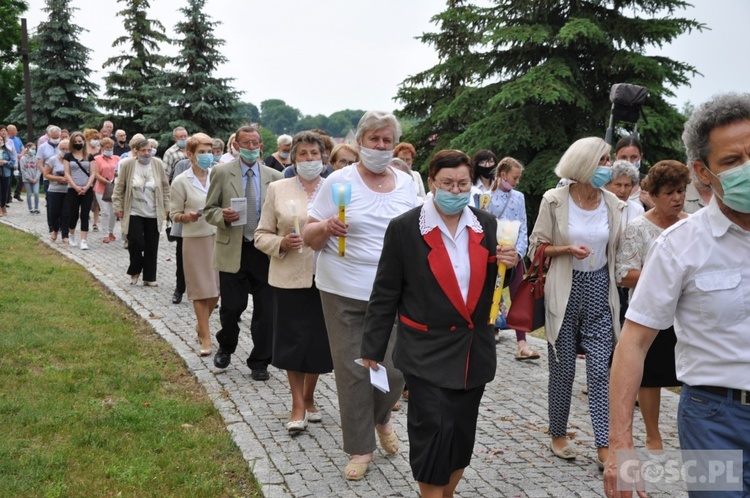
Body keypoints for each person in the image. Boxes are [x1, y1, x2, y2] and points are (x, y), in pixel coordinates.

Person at [605, 93, 750, 498]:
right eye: (733, 162)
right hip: (714, 421)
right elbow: (633, 343)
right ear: (703, 172)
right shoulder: (679, 245)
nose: (748, 168)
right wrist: (621, 446)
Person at [361, 149, 518, 497]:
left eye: (463, 183)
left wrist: (511, 262)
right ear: (431, 183)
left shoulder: (486, 224)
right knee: (432, 434)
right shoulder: (405, 229)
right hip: (426, 351)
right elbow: (385, 292)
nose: (456, 190)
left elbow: (495, 283)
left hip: (472, 352)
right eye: (447, 183)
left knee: (461, 437)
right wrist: (372, 347)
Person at [302, 110, 418, 481]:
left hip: (395, 293)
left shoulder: (407, 183)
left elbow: (420, 234)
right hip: (343, 288)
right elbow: (309, 235)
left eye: (387, 140)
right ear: (361, 142)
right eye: (374, 140)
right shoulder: (339, 180)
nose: (381, 147)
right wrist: (326, 226)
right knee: (353, 370)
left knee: (396, 369)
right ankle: (360, 447)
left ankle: (381, 417)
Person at [528, 136, 624, 468]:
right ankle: (558, 433)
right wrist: (565, 250)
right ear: (584, 164)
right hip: (564, 288)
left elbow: (618, 251)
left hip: (600, 287)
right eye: (603, 160)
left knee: (600, 370)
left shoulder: (613, 204)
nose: (608, 166)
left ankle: (603, 445)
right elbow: (536, 247)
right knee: (563, 368)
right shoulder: (554, 200)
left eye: (609, 160)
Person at [255, 131, 334, 432]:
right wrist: (281, 243)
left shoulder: (334, 187)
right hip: (289, 276)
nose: (310, 159)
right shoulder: (278, 188)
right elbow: (261, 234)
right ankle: (297, 404)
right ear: (293, 157)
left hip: (327, 276)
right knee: (292, 341)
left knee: (318, 342)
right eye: (303, 154)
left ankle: (310, 396)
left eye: (315, 154)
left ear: (323, 158)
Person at [615, 160, 690, 459]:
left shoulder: (692, 224)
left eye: (682, 191)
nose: (678, 198)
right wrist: (662, 275)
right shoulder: (638, 228)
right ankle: (653, 435)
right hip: (650, 313)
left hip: (686, 314)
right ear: (653, 195)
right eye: (670, 192)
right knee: (652, 376)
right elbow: (623, 274)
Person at [203, 125, 284, 379]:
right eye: (245, 143)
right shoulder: (221, 172)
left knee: (266, 311)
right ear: (236, 146)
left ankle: (260, 361)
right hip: (233, 249)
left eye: (255, 143)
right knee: (231, 308)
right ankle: (226, 346)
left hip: (263, 250)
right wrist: (223, 216)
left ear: (261, 146)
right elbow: (209, 210)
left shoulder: (275, 177)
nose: (251, 148)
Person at [170, 133, 219, 357]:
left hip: (219, 237)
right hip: (195, 238)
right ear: (190, 154)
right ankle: (206, 337)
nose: (207, 156)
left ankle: (202, 324)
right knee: (200, 289)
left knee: (217, 290)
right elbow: (174, 214)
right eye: (202, 152)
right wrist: (186, 217)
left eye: (210, 151)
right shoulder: (181, 181)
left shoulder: (218, 175)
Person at [487, 157, 536, 360]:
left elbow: (523, 226)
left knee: (518, 296)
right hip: (492, 254)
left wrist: (519, 253)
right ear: (503, 174)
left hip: (514, 255)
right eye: (514, 177)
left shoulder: (518, 197)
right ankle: (487, 336)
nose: (516, 182)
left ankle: (521, 343)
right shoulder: (485, 196)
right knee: (490, 295)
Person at [113, 138, 170, 286]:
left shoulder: (157, 164)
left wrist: (167, 206)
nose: (146, 153)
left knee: (152, 244)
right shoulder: (127, 164)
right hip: (133, 210)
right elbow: (119, 187)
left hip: (153, 210)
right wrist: (117, 206)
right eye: (143, 150)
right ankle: (135, 270)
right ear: (136, 151)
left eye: (149, 150)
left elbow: (165, 186)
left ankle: (149, 277)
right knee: (136, 241)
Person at [63, 132, 97, 250]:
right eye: (76, 142)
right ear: (72, 142)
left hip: (87, 189)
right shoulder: (68, 156)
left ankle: (83, 240)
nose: (78, 143)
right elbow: (67, 173)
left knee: (85, 214)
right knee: (73, 214)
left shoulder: (90, 156)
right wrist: (76, 187)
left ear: (84, 142)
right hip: (73, 189)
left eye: (80, 141)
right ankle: (71, 235)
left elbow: (93, 173)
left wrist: (87, 186)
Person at [614, 136, 653, 211]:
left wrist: (653, 206)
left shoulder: (649, 184)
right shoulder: (606, 182)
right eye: (623, 157)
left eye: (633, 157)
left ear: (641, 157)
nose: (629, 161)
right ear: (616, 157)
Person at [43, 139, 70, 242]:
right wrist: (58, 178)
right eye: (63, 148)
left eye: (67, 149)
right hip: (54, 190)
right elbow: (46, 174)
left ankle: (65, 235)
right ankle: (55, 230)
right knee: (54, 213)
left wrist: (68, 179)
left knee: (66, 213)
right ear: (59, 149)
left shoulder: (73, 160)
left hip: (68, 190)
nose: (65, 150)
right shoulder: (52, 160)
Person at [93, 137, 119, 243]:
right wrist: (106, 181)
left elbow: (119, 170)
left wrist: (116, 176)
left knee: (113, 211)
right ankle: (104, 234)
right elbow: (96, 174)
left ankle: (111, 231)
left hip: (114, 188)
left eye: (111, 147)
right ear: (102, 148)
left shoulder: (117, 158)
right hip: (101, 188)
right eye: (107, 147)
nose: (109, 149)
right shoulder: (97, 159)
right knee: (105, 211)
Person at [20, 143, 40, 214]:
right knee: (29, 194)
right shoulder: (23, 159)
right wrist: (29, 178)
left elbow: (39, 169)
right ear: (28, 148)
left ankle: (37, 208)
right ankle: (30, 208)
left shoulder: (36, 158)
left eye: (35, 149)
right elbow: (23, 170)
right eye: (32, 149)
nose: (34, 150)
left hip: (35, 179)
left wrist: (36, 178)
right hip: (27, 180)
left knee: (36, 193)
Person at [0, 133, 16, 216]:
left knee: (4, 191)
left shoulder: (7, 151)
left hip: (5, 173)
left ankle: (3, 206)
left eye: (1, 140)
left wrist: (6, 162)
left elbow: (12, 161)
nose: (0, 141)